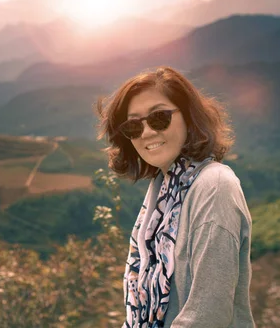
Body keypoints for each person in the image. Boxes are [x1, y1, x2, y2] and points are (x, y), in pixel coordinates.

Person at [96, 66, 255, 328]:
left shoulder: (213, 187)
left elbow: (208, 315)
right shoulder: (165, 190)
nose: (146, 132)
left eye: (159, 117)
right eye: (133, 126)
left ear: (189, 117)